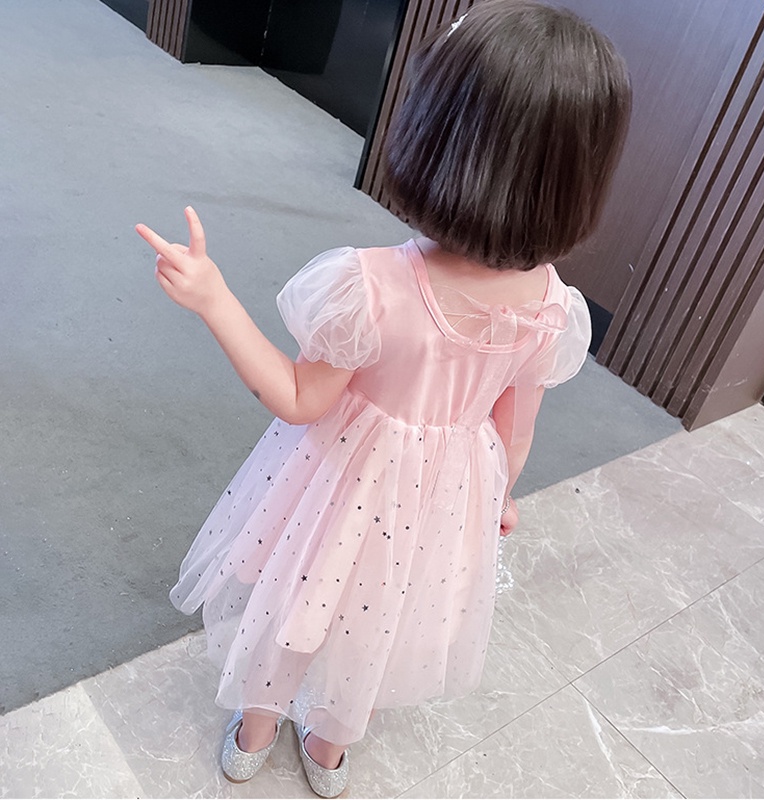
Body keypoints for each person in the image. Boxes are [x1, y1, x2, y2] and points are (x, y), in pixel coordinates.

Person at [136, 1, 630, 795]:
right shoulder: (551, 305)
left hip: (342, 488)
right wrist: (500, 497)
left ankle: (255, 734)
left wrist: (214, 299)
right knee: (383, 623)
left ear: (438, 140)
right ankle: (329, 750)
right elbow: (516, 429)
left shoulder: (369, 286)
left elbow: (298, 397)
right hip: (442, 502)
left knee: (298, 605)